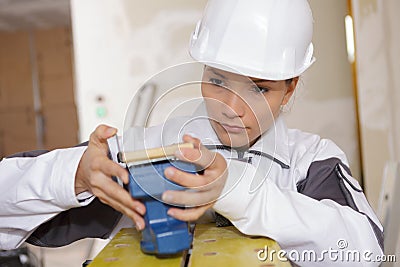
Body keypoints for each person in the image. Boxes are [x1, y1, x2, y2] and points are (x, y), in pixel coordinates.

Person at [0, 0, 383, 265]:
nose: (231, 108)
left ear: (291, 89)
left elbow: (366, 253)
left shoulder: (311, 160)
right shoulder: (150, 150)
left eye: (259, 87)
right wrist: (74, 176)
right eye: (217, 80)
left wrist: (238, 191)